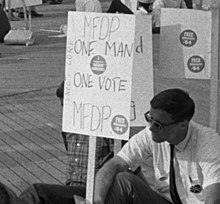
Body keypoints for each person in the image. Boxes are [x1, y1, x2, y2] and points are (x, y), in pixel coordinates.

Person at [91, 88, 220, 204]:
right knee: (123, 181)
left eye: (158, 124)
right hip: (165, 200)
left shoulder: (208, 142)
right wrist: (98, 201)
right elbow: (114, 164)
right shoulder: (149, 134)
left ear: (183, 124)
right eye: (149, 118)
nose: (151, 128)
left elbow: (213, 198)